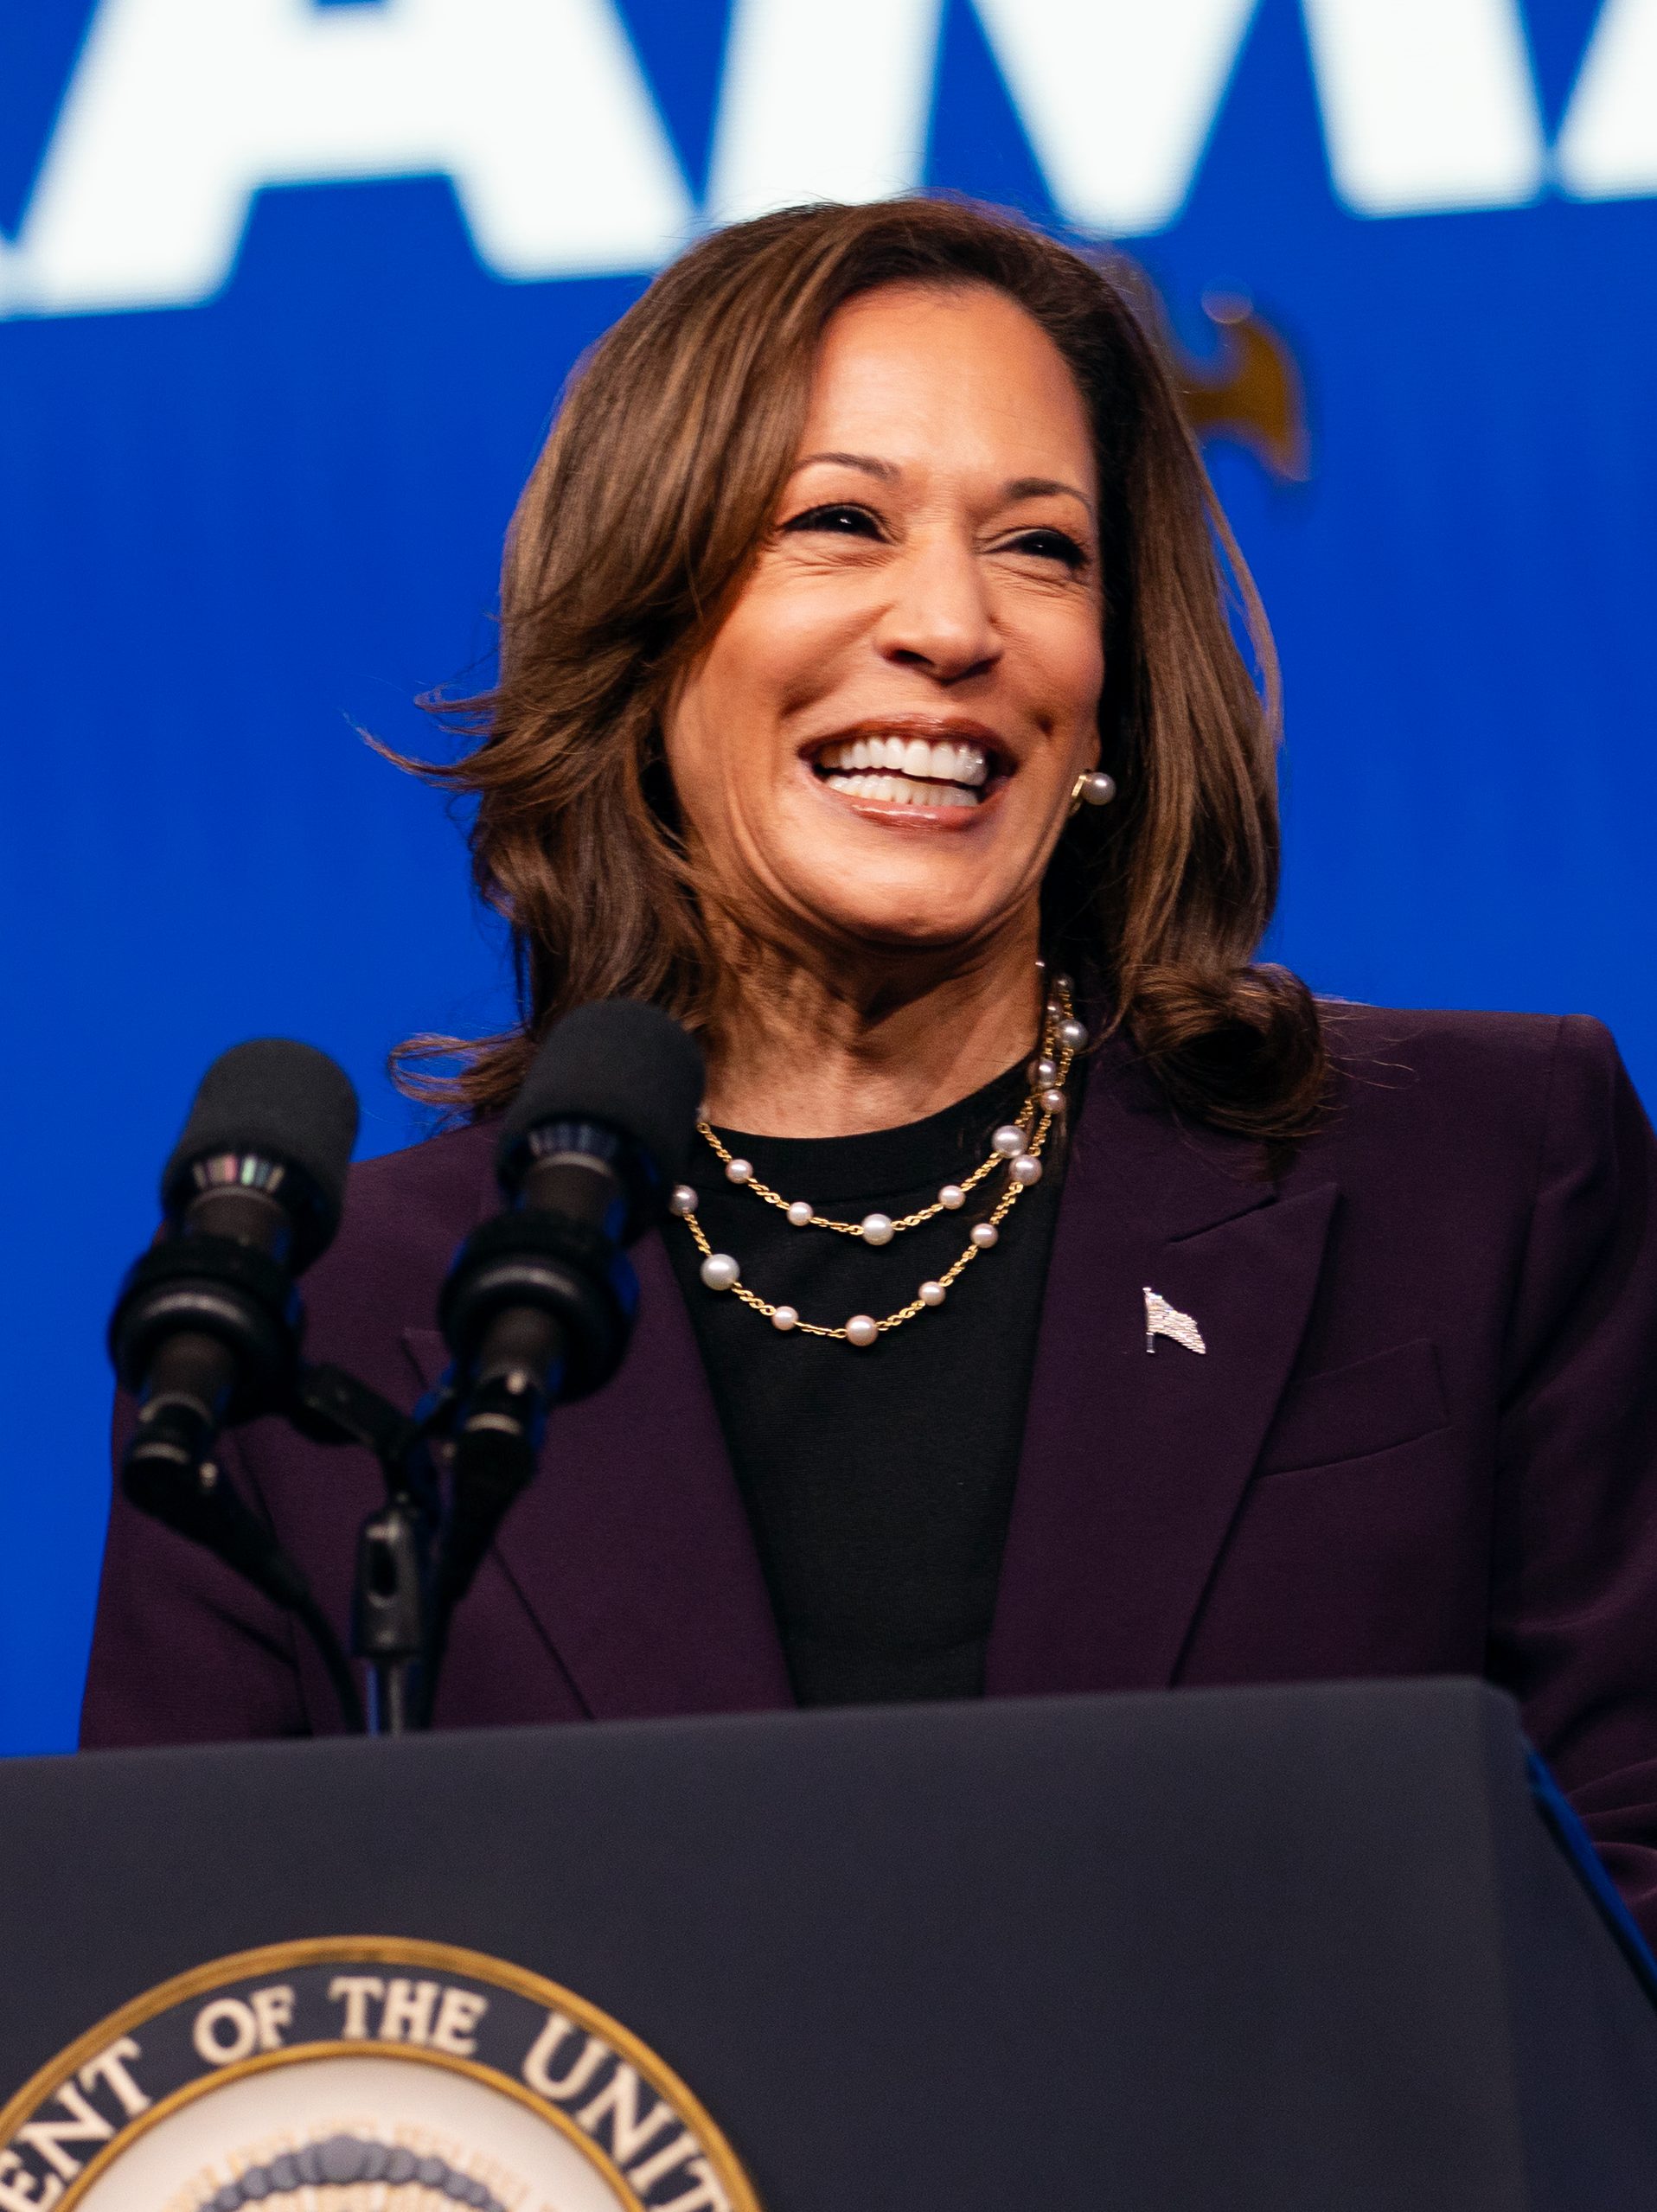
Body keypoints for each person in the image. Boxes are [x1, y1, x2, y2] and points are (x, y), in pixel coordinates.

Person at [82, 198, 1657, 1940]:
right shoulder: (327, 1331)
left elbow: (1628, 1890)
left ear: (1113, 685)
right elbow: (178, 2045)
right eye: (839, 522)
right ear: (646, 633)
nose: (954, 625)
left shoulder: (1481, 1169)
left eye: (1040, 550)